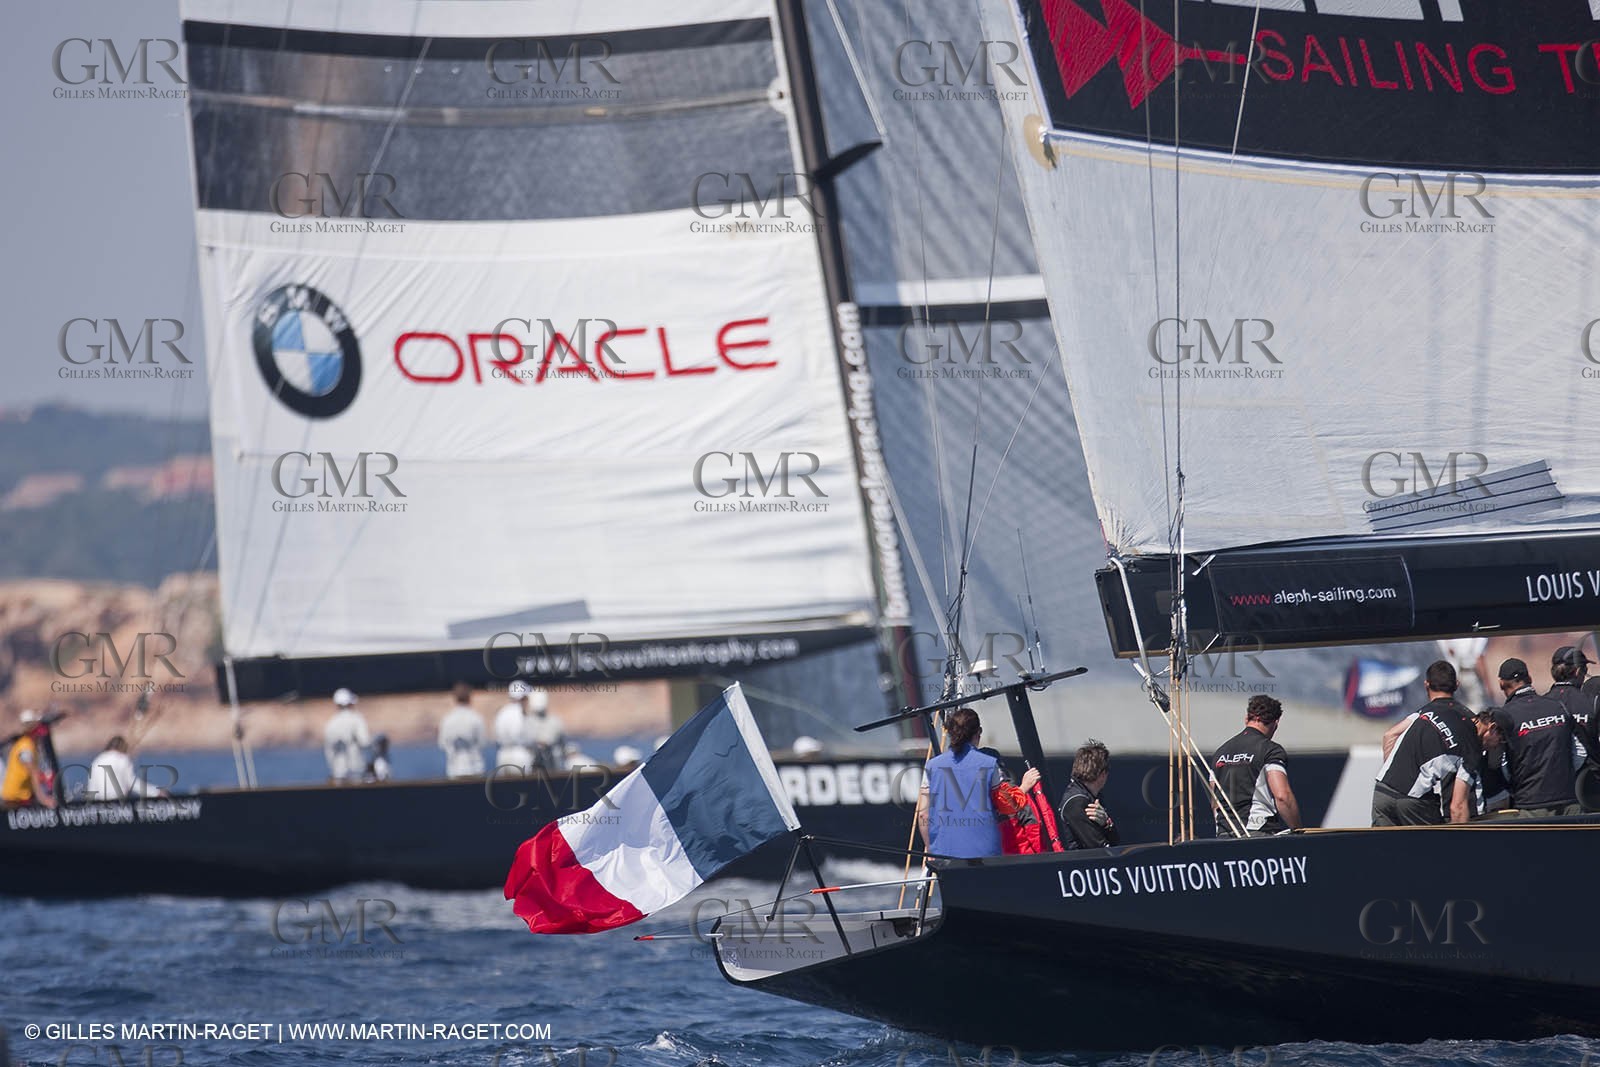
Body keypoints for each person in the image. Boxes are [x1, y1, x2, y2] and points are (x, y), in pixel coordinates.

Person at [917, 707, 1033, 858]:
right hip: (985, 853)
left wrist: (931, 851)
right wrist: (1024, 787)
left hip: (945, 854)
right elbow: (1006, 806)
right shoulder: (989, 764)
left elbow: (924, 815)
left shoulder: (931, 766)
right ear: (978, 732)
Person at [1372, 661, 1475, 825]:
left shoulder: (1422, 713)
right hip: (1414, 800)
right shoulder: (1469, 721)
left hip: (1383, 790)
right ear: (1457, 685)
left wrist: (1396, 776)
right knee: (1429, 841)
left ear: (1426, 684)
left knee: (1382, 842)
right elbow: (1459, 805)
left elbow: (1390, 735)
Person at [1491, 657, 1584, 817]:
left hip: (1531, 805)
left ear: (1501, 684)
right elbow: (1580, 751)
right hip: (1569, 801)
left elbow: (1501, 764)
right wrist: (1565, 778)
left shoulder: (1505, 716)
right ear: (1529, 678)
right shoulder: (1558, 706)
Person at [1210, 694, 1302, 837]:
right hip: (1257, 834)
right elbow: (1282, 796)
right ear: (1276, 723)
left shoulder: (1220, 752)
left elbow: (1215, 803)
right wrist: (1298, 831)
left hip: (1224, 835)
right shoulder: (1270, 750)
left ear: (1246, 718)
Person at [1059, 740, 1119, 849]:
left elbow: (1112, 845)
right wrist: (1107, 826)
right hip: (1077, 860)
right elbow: (1100, 848)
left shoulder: (1091, 797)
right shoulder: (1077, 802)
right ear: (1103, 774)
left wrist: (1107, 824)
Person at [495, 681, 564, 773]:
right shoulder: (521, 713)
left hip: (502, 755)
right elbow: (526, 737)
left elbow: (497, 737)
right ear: (522, 697)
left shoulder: (502, 712)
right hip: (519, 755)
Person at [1547, 646, 1599, 762]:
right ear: (1578, 671)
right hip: (1590, 771)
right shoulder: (1592, 702)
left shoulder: (1541, 703)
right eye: (1585, 669)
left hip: (1554, 770)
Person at [2, 710, 57, 809]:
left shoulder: (29, 745)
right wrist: (43, 799)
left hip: (25, 798)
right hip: (14, 802)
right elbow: (33, 772)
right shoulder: (25, 746)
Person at [85, 735, 166, 801]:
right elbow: (132, 783)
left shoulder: (96, 761)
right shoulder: (123, 759)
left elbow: (91, 790)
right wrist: (156, 792)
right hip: (118, 804)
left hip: (98, 804)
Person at [437, 683, 487, 778]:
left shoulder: (447, 719)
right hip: (474, 768)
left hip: (454, 769)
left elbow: (442, 744)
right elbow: (482, 743)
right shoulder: (476, 718)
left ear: (455, 698)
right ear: (469, 697)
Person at [323, 688, 371, 783]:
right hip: (357, 773)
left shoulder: (331, 723)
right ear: (350, 703)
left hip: (338, 775)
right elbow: (365, 742)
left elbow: (329, 750)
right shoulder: (357, 719)